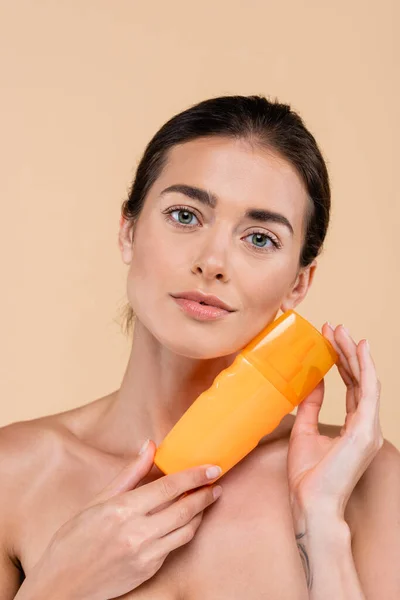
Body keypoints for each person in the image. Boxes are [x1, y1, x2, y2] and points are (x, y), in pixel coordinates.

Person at [2, 95, 399, 600]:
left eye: (259, 239)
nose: (213, 261)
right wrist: (57, 587)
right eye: (185, 215)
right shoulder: (13, 474)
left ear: (299, 283)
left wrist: (322, 529)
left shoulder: (364, 477)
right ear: (128, 230)